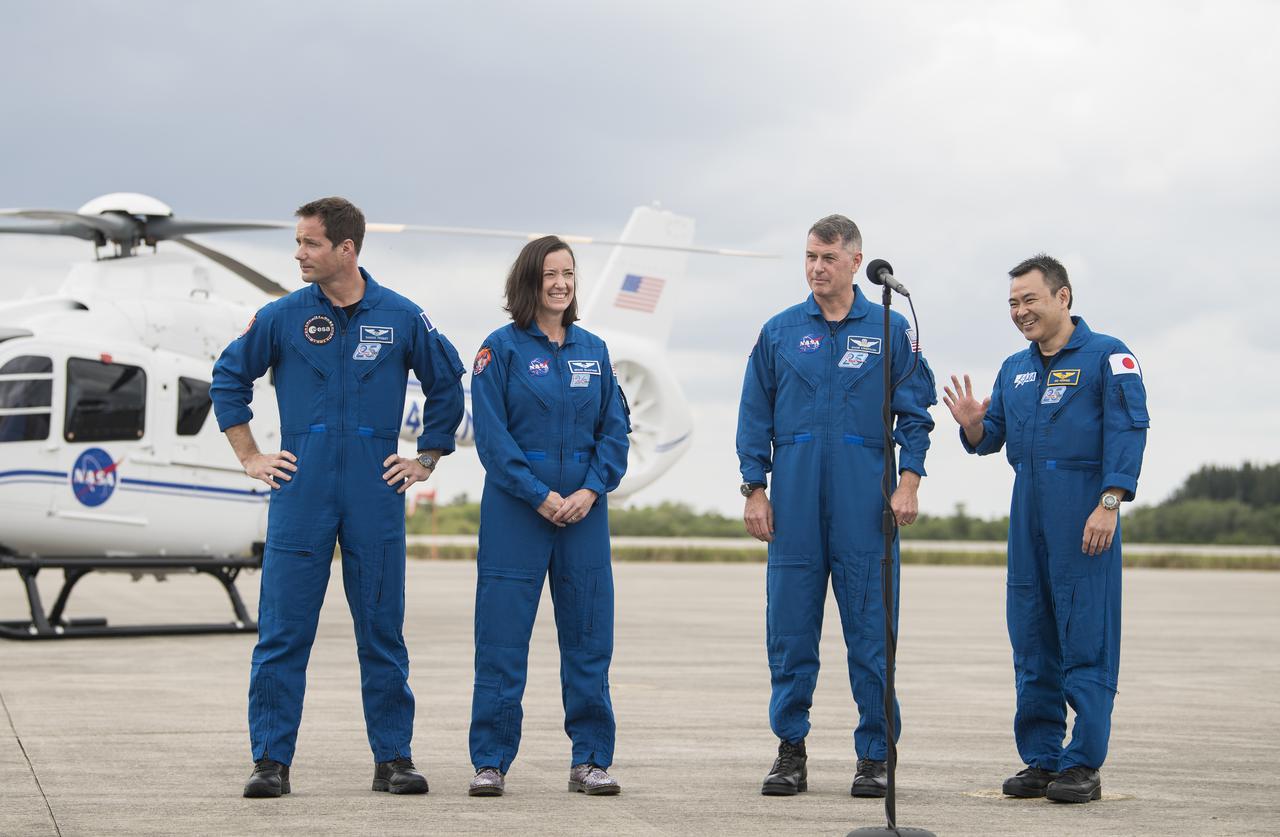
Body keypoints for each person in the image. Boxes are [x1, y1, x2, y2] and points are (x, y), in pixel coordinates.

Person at [211, 197, 465, 799]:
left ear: (346, 249)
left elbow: (447, 383)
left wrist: (426, 456)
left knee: (382, 629)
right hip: (302, 488)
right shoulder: (279, 316)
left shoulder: (402, 317)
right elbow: (228, 377)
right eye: (298, 243)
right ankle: (271, 761)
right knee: (282, 630)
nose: (299, 253)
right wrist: (251, 455)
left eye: (310, 243)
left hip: (374, 490)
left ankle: (394, 760)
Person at [736, 215, 937, 798]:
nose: (816, 267)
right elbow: (754, 415)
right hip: (795, 503)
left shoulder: (889, 328)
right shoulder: (778, 332)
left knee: (873, 636)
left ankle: (875, 756)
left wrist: (909, 482)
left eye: (827, 257)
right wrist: (754, 487)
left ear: (855, 260)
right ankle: (790, 752)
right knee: (790, 634)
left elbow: (916, 414)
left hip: (864, 501)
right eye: (808, 257)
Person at [942, 254, 1149, 804]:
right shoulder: (1014, 369)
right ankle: (1042, 757)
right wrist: (972, 425)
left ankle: (1083, 764)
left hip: (1083, 510)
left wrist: (1110, 500)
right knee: (1032, 636)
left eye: (1030, 299)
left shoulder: (1109, 356)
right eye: (1012, 302)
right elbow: (994, 439)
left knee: (1086, 638)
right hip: (1027, 509)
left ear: (1063, 297)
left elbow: (1129, 431)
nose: (1020, 311)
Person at [465, 235, 630, 798]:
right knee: (501, 640)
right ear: (528, 281)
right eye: (549, 274)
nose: (560, 284)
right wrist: (538, 495)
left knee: (588, 639)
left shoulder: (595, 350)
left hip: (584, 514)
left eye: (569, 274)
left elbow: (615, 432)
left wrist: (590, 489)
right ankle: (490, 760)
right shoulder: (499, 350)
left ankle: (590, 760)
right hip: (517, 513)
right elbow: (492, 438)